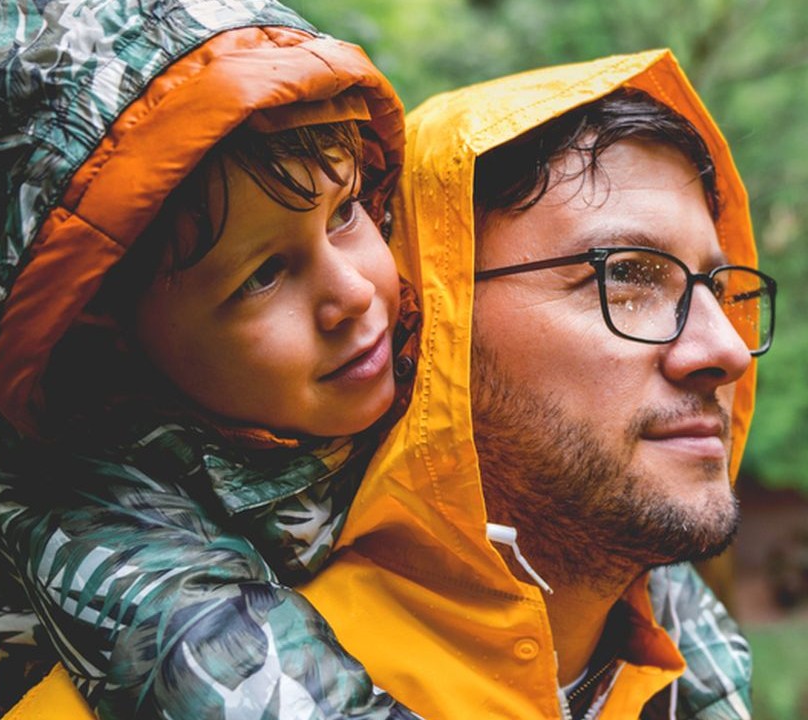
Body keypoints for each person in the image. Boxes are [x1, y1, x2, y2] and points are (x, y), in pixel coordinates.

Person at [0, 2, 741, 719]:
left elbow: (634, 565)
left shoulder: (370, 337)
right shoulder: (88, 482)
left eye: (345, 215)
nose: (351, 293)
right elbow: (220, 668)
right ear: (112, 336)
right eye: (262, 275)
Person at [296, 51, 770, 720]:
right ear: (432, 319)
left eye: (718, 290)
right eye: (627, 276)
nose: (725, 350)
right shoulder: (207, 680)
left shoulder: (692, 673)